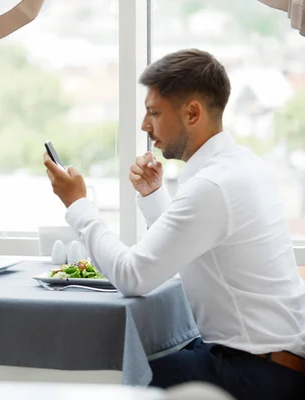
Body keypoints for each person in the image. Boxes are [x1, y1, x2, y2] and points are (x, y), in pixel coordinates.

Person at [43, 49, 305, 399]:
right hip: (271, 362)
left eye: (153, 112)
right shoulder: (240, 165)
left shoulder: (212, 186)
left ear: (193, 112)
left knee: (109, 379)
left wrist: (78, 205)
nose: (144, 126)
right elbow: (195, 247)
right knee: (142, 363)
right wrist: (153, 197)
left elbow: (132, 276)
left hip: (254, 374)